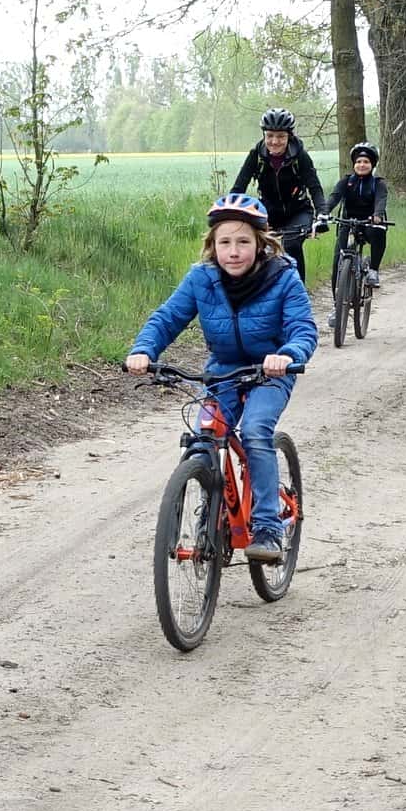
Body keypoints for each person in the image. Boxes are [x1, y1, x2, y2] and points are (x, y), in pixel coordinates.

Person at [126, 193, 318, 562]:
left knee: (256, 431)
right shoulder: (202, 278)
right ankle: (209, 515)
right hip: (224, 370)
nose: (233, 252)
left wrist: (288, 355)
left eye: (243, 242)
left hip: (270, 370)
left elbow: (302, 328)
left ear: (260, 244)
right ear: (212, 245)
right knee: (204, 437)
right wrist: (144, 350)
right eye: (224, 242)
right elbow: (167, 318)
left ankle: (268, 528)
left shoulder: (283, 277)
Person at [231, 108, 328, 280]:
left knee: (291, 246)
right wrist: (228, 211)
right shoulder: (256, 155)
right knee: (258, 251)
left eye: (281, 136)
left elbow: (314, 188)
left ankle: (298, 292)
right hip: (268, 212)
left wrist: (322, 213)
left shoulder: (300, 156)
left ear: (289, 136)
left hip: (298, 211)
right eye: (270, 136)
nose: (274, 142)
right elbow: (239, 187)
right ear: (264, 135)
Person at [329, 142, 390, 290]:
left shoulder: (378, 183)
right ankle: (337, 299)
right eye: (358, 161)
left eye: (366, 162)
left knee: (378, 233)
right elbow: (334, 197)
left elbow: (381, 200)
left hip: (369, 222)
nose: (362, 165)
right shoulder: (346, 181)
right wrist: (324, 211)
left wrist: (377, 215)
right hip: (348, 222)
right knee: (337, 259)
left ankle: (373, 270)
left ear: (372, 164)